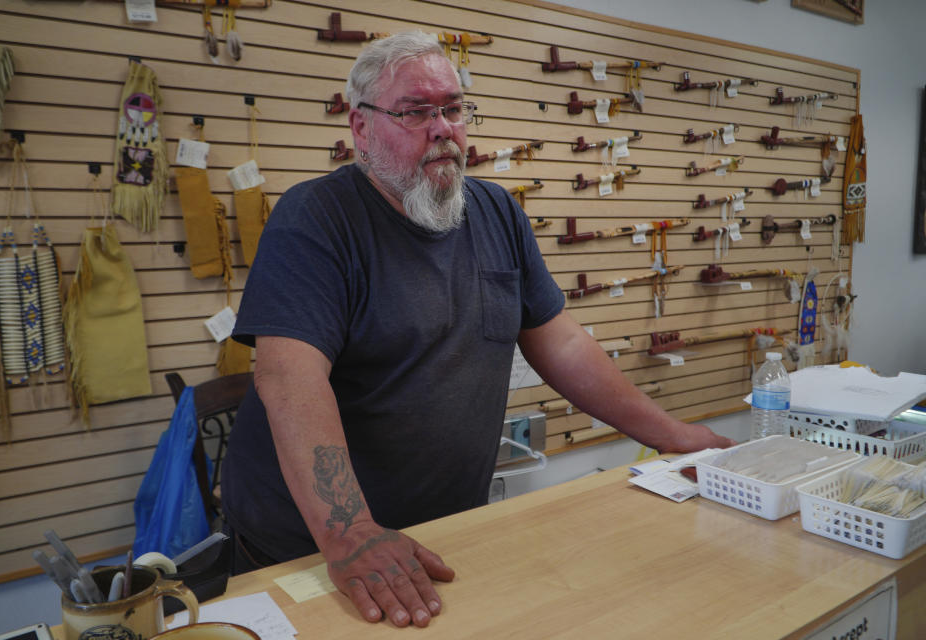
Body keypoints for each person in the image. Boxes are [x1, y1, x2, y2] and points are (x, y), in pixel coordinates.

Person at [221, 30, 735, 629]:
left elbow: (562, 343)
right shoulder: (315, 219)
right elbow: (287, 378)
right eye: (416, 111)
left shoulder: (496, 212)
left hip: (445, 534)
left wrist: (673, 434)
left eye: (453, 107)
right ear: (361, 129)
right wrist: (351, 533)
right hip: (314, 553)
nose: (443, 127)